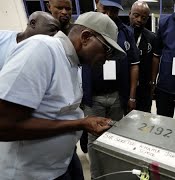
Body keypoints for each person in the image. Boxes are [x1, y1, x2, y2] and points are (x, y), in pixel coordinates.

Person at [0, 12, 126, 180]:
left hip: (60, 164)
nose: (106, 59)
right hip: (29, 173)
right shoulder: (41, 50)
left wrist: (81, 123)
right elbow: (4, 125)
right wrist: (80, 123)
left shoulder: (73, 62)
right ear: (86, 37)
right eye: (107, 50)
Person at [81, 0, 139, 179]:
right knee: (93, 139)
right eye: (105, 9)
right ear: (97, 4)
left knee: (114, 136)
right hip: (93, 97)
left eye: (113, 10)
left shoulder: (125, 32)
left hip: (116, 96)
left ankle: (113, 173)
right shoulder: (84, 26)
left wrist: (131, 96)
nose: (108, 14)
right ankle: (97, 176)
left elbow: (134, 64)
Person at [129, 1, 156, 112]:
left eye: (144, 18)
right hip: (126, 86)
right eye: (136, 15)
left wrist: (153, 82)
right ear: (130, 14)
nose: (139, 20)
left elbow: (155, 61)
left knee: (144, 119)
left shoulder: (152, 38)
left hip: (145, 88)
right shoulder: (121, 35)